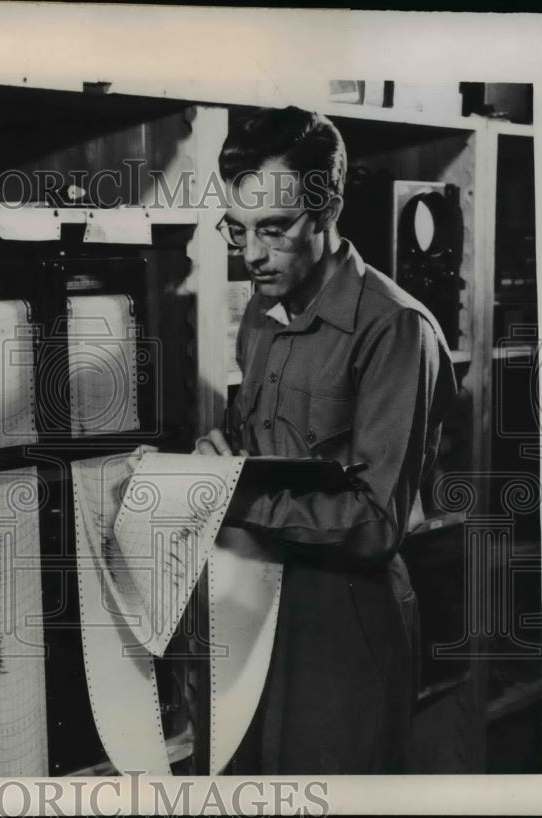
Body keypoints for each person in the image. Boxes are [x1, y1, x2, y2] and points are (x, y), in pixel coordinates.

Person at [192, 106, 457, 774]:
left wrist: (234, 502)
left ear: (327, 211)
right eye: (238, 229)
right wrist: (219, 459)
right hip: (255, 605)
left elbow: (375, 522)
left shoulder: (397, 330)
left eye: (274, 229)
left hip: (346, 625)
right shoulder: (261, 308)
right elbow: (271, 450)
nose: (251, 254)